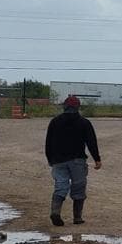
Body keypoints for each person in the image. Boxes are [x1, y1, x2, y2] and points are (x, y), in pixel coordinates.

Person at [44, 95, 102, 227]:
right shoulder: (84, 122)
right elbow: (91, 142)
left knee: (61, 186)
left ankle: (55, 212)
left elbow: (48, 142)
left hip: (58, 161)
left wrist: (49, 159)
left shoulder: (55, 121)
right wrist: (97, 159)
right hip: (77, 161)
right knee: (78, 188)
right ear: (78, 107)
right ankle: (77, 217)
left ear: (64, 106)